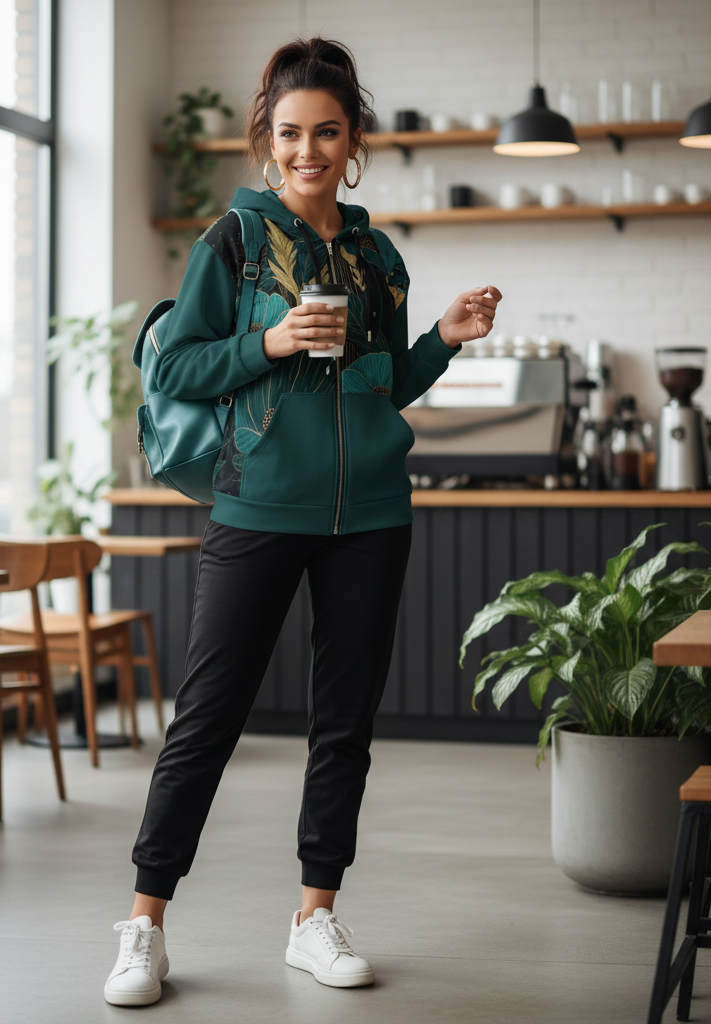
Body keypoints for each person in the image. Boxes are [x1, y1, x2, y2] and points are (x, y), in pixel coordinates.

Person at [104, 37, 501, 1007]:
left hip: (371, 514)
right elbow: (174, 365)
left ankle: (313, 916)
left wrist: (441, 341)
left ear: (352, 139)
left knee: (344, 723)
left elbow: (383, 385)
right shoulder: (232, 242)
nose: (307, 151)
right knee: (207, 718)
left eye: (326, 132)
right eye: (290, 133)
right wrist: (272, 338)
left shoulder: (377, 256)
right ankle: (144, 925)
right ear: (267, 138)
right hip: (256, 505)